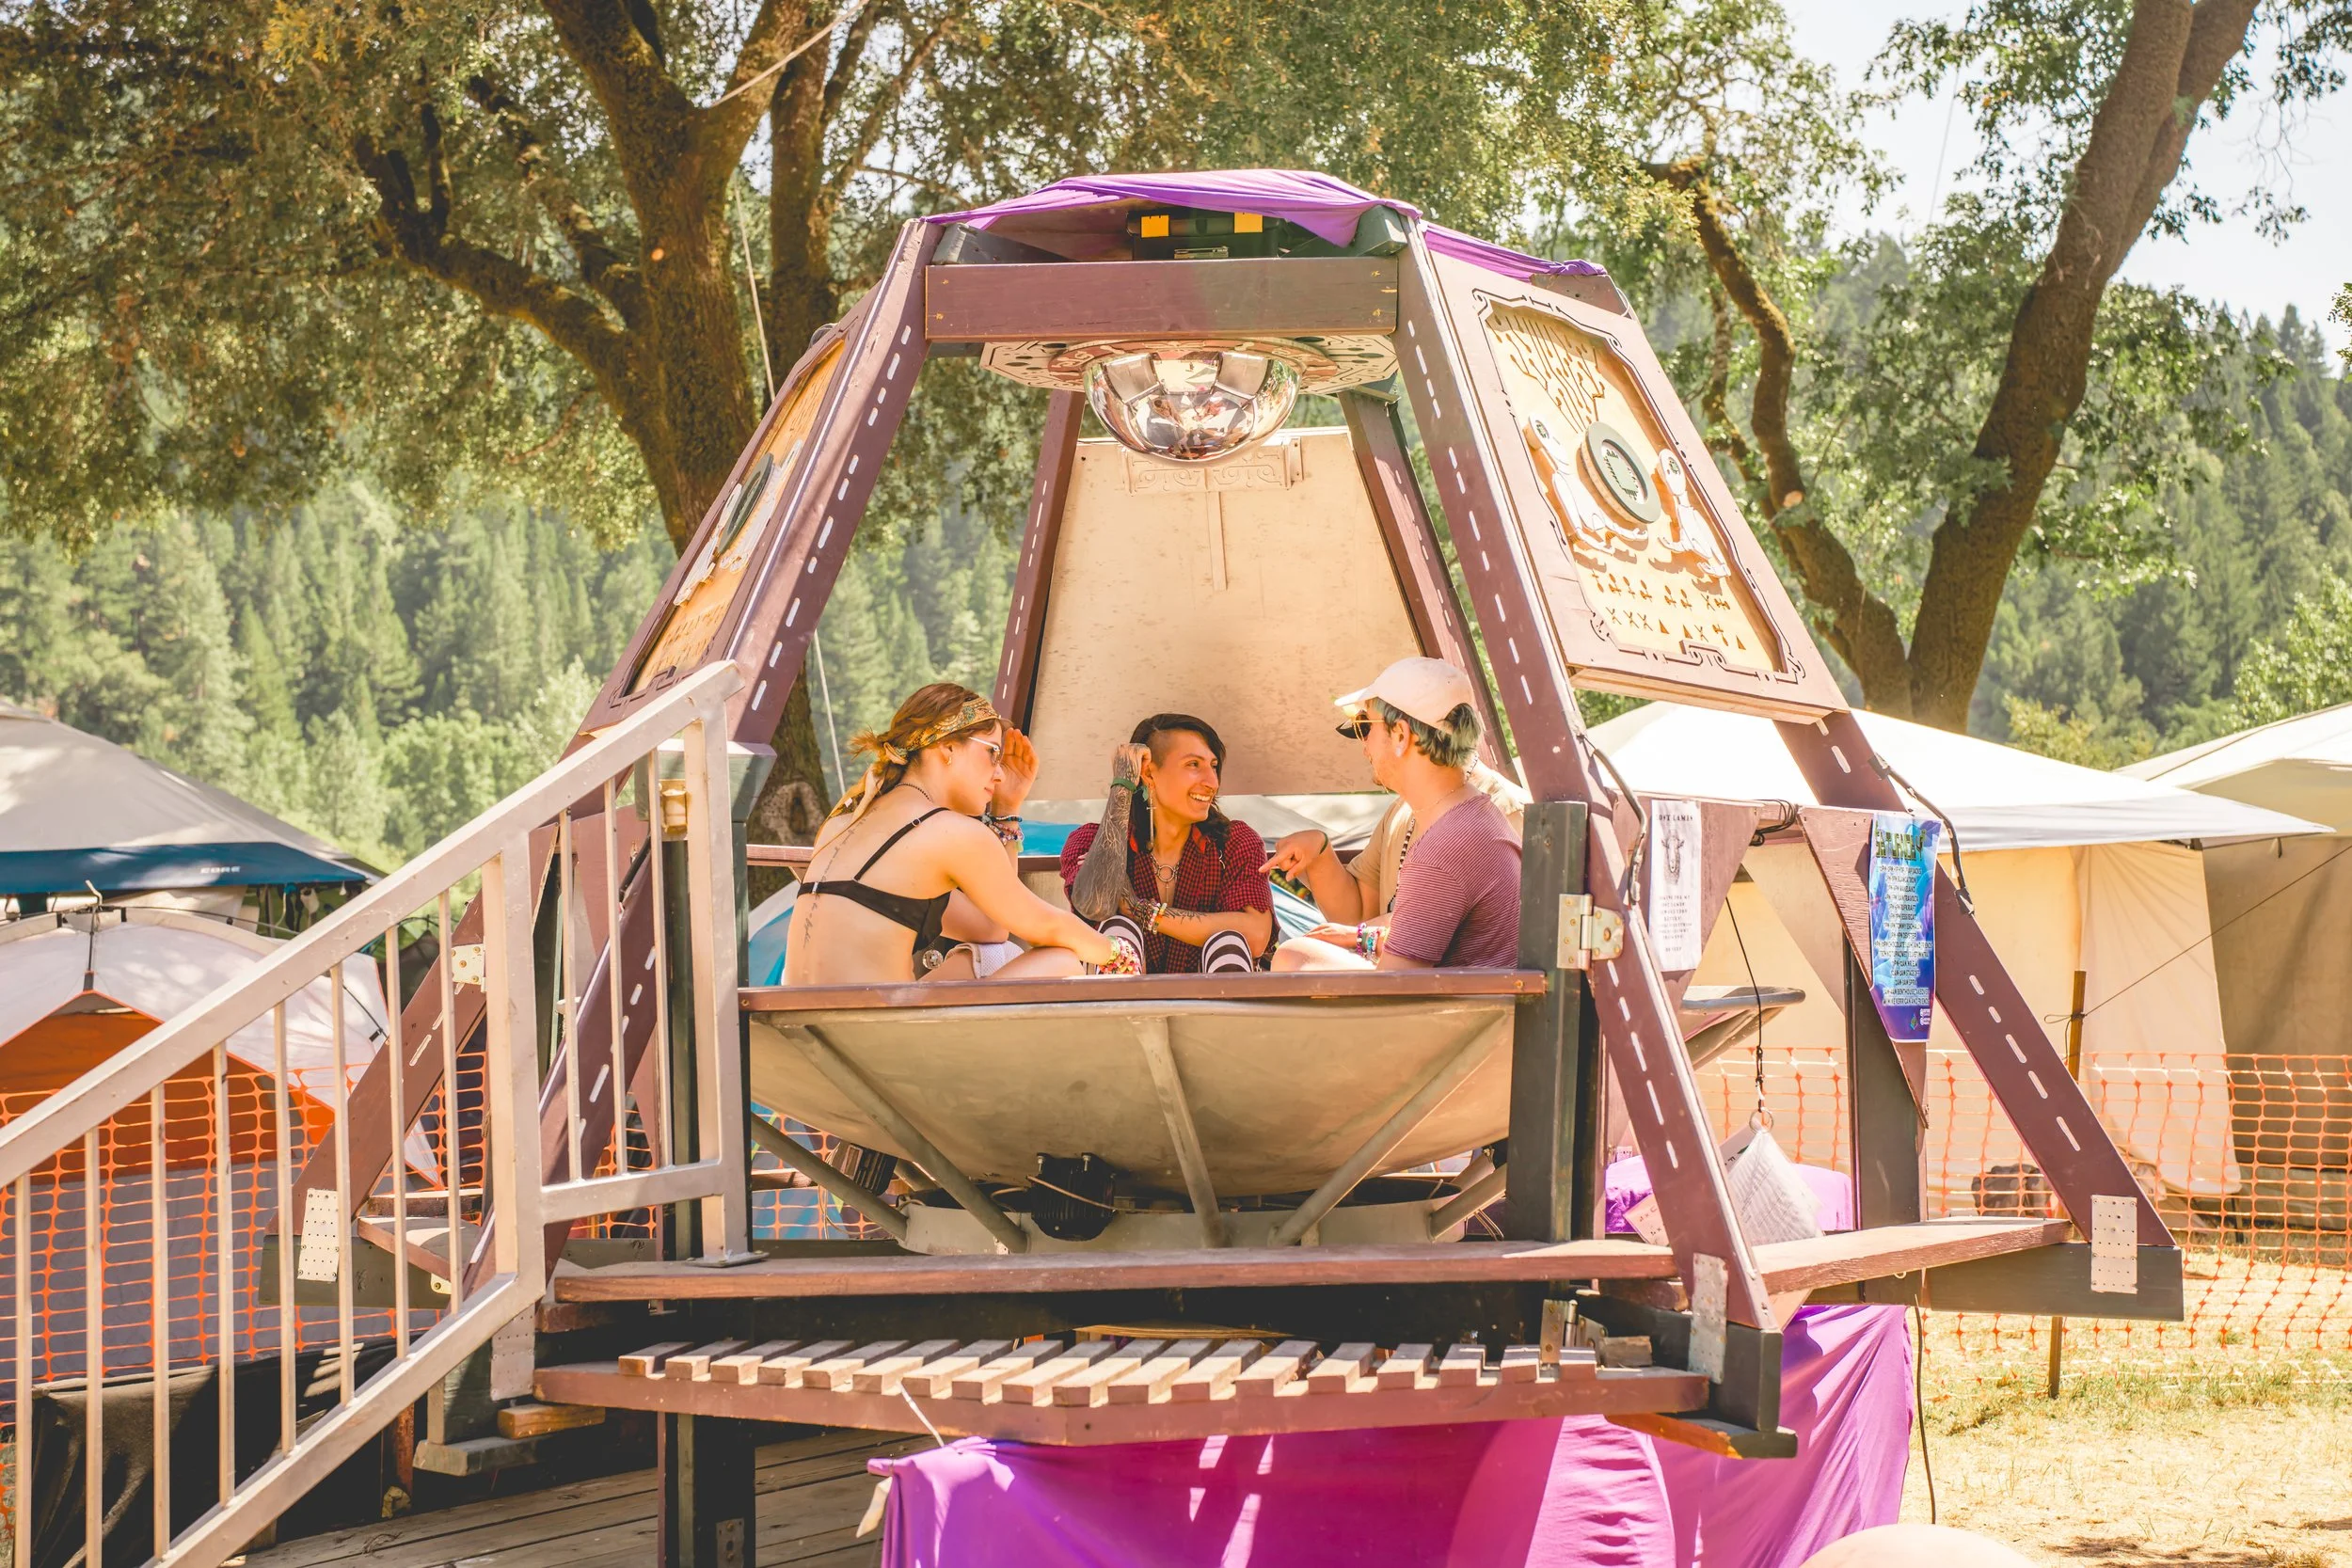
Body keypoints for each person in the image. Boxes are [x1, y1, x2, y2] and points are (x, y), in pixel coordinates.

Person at [785, 683, 1117, 984]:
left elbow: (991, 930)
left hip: (807, 1021)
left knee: (995, 955)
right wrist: (1119, 954)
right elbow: (1046, 925)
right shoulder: (947, 831)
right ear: (946, 748)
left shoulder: (844, 821)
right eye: (992, 753)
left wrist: (1005, 810)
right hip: (873, 1027)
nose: (1000, 774)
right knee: (1062, 962)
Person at [1270, 658, 1521, 971]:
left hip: (1457, 1003)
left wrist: (1318, 951)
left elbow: (1396, 984)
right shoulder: (1471, 814)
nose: (1363, 745)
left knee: (1294, 956)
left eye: (1365, 727)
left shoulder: (1449, 843)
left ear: (1401, 735)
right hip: (1471, 997)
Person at [1060, 714, 1274, 974]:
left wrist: (1140, 909)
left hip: (1214, 996)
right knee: (1118, 932)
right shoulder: (1092, 841)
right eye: (1194, 764)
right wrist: (1123, 783)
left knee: (1227, 942)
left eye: (1213, 766)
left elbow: (1256, 936)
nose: (1212, 782)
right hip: (1124, 998)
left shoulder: (1234, 842)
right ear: (1149, 773)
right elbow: (1096, 905)